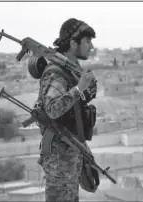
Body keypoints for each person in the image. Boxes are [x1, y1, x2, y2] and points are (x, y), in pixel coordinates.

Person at [36, 18, 97, 202]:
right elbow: (53, 110)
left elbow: (74, 113)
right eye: (87, 41)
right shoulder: (57, 73)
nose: (91, 46)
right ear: (73, 43)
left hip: (72, 152)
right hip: (59, 159)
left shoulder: (72, 70)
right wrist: (79, 89)